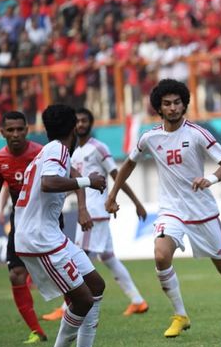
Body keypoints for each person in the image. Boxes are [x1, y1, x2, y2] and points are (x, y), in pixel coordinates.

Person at [105, 79, 221, 337]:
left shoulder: (197, 134)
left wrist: (210, 179)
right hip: (171, 210)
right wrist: (112, 194)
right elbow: (128, 164)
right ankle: (180, 315)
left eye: (177, 103)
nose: (172, 108)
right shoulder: (150, 137)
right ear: (159, 108)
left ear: (184, 105)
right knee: (161, 256)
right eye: (167, 104)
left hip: (202, 211)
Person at [15, 104, 116, 347]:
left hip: (50, 235)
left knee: (96, 286)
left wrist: (80, 192)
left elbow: (58, 178)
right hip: (40, 239)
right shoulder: (58, 149)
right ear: (74, 127)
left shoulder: (50, 151)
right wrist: (88, 181)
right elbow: (48, 183)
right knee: (81, 298)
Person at [41, 107, 149, 321]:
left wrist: (135, 201)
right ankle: (138, 301)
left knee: (77, 259)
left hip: (94, 212)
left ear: (90, 123)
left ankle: (65, 308)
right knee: (108, 258)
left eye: (84, 121)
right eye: (77, 121)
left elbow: (116, 174)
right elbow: (77, 183)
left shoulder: (98, 148)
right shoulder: (73, 151)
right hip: (90, 211)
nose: (80, 124)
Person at [0, 112, 48, 343]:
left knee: (61, 272)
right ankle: (37, 330)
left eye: (19, 129)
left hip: (48, 220)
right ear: (2, 132)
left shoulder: (40, 153)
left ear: (27, 130)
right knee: (16, 275)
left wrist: (82, 208)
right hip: (21, 221)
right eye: (10, 130)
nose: (15, 134)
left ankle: (78, 316)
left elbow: (70, 178)